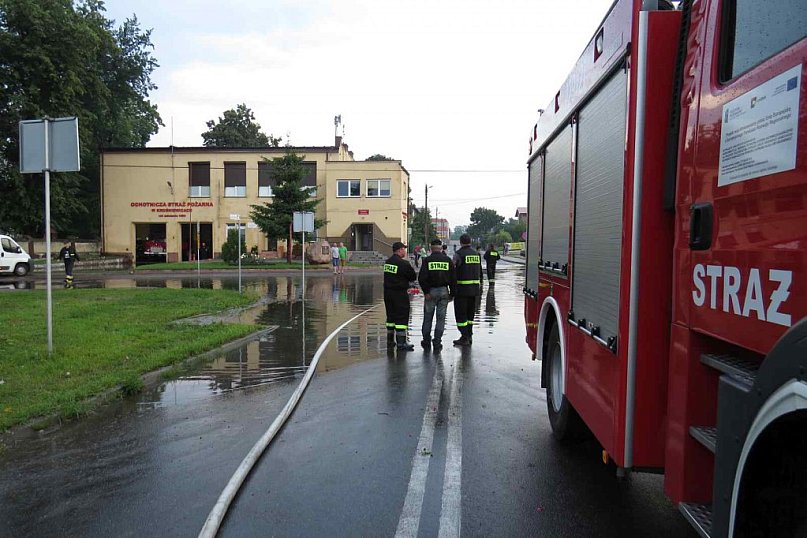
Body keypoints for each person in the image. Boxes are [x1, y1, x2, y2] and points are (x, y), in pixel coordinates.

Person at [418, 239, 455, 351]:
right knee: (441, 319)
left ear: (431, 247)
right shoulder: (447, 260)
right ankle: (437, 342)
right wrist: (452, 294)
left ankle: (426, 341)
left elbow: (421, 278)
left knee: (428, 318)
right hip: (444, 291)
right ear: (441, 247)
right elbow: (453, 279)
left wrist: (426, 292)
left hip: (431, 292)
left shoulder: (427, 261)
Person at [384, 241, 417, 351]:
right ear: (399, 250)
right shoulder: (404, 264)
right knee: (401, 318)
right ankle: (401, 343)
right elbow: (412, 277)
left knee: (390, 317)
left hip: (388, 293)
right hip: (399, 294)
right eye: (404, 249)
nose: (405, 251)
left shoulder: (387, 262)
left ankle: (390, 340)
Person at [452, 234, 483, 346]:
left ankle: (464, 336)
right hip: (474, 290)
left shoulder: (458, 254)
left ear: (460, 242)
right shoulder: (476, 254)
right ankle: (469, 335)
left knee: (461, 315)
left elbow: (452, 269)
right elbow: (480, 271)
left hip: (462, 290)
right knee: (470, 315)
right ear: (470, 242)